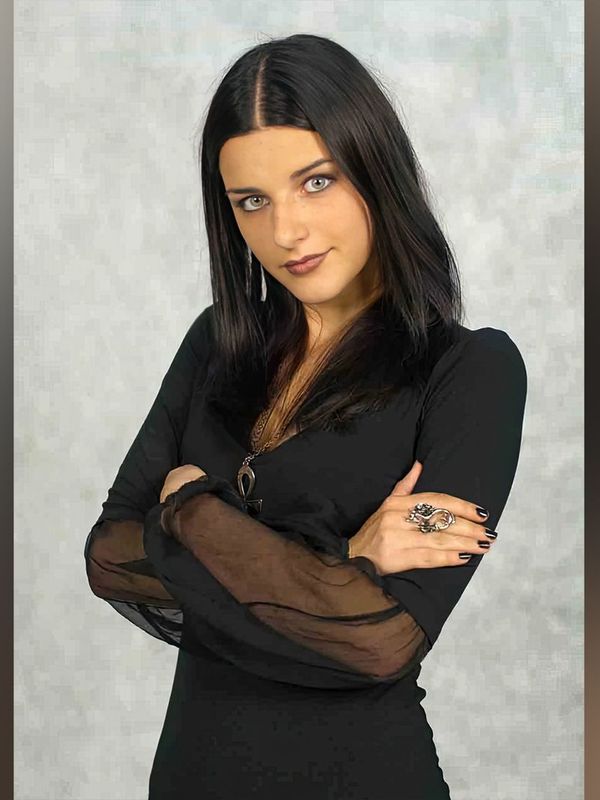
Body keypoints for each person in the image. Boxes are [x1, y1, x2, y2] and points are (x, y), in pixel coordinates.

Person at [84, 33, 527, 800]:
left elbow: (380, 639)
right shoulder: (217, 343)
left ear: (374, 168)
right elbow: (109, 557)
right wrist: (340, 560)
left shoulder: (471, 370)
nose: (285, 231)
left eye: (315, 182)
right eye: (252, 201)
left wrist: (188, 510)